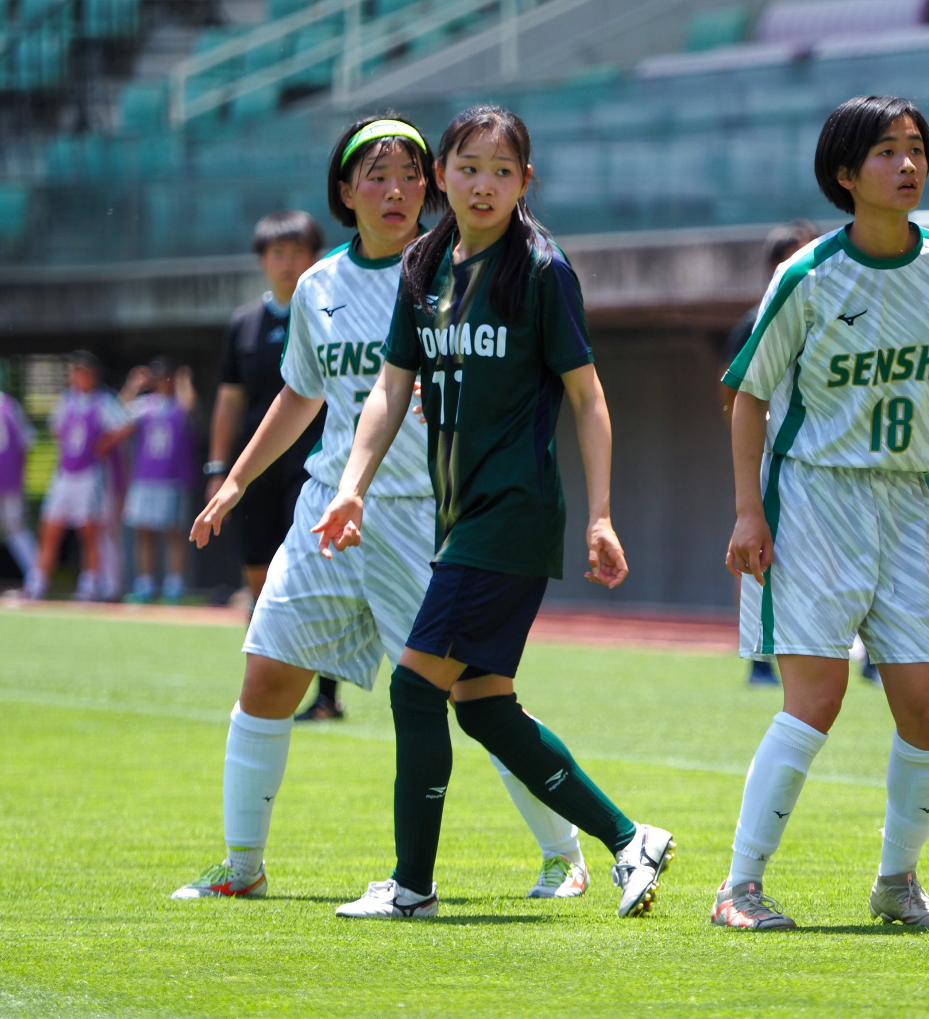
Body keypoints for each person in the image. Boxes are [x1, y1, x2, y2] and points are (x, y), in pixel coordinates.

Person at [173, 114, 587, 903]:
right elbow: (301, 393)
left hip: (426, 516)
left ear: (432, 185)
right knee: (265, 679)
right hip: (329, 509)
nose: (396, 191)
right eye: (376, 176)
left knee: (476, 695)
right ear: (344, 191)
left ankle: (561, 853)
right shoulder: (318, 287)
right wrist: (237, 479)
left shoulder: (463, 271)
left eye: (409, 176)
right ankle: (242, 866)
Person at [315, 104, 674, 922]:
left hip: (511, 513)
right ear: (440, 175)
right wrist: (351, 485)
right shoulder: (423, 265)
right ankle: (630, 839)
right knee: (481, 706)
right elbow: (390, 387)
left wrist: (602, 514)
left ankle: (411, 888)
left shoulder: (543, 270)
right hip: (459, 516)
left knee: (414, 687)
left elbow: (588, 397)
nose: (484, 185)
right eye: (468, 167)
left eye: (502, 171)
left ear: (525, 182)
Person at [712, 95, 929, 930]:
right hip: (814, 494)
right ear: (846, 175)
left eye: (917, 147)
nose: (908, 164)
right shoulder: (807, 275)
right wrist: (749, 512)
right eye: (886, 151)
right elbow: (745, 394)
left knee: (928, 711)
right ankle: (739, 888)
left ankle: (897, 882)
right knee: (816, 698)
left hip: (907, 503)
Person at [208, 211, 345, 719]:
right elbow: (228, 401)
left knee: (313, 577)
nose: (287, 264)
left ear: (315, 257)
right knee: (260, 578)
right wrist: (219, 470)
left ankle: (327, 698)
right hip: (257, 468)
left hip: (316, 464)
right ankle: (263, 692)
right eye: (277, 254)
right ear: (262, 260)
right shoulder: (244, 323)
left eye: (297, 253)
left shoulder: (330, 311)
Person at [718, 220, 819, 687]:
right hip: (771, 458)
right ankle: (759, 657)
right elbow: (732, 392)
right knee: (757, 548)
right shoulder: (754, 322)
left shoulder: (829, 311)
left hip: (823, 456)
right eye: (799, 255)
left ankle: (870, 656)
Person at [29, 351, 129, 601]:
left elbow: (123, 426)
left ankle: (90, 585)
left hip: (91, 475)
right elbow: (57, 430)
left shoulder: (103, 401)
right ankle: (37, 583)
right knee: (50, 526)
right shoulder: (66, 400)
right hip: (65, 474)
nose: (78, 376)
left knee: (89, 530)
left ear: (92, 374)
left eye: (83, 371)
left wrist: (101, 445)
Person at [116, 359, 198, 603]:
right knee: (145, 533)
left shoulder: (179, 404)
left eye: (168, 377)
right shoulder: (144, 405)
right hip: (144, 480)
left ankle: (175, 585)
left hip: (172, 479)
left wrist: (184, 380)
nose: (164, 381)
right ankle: (145, 585)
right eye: (160, 377)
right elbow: (116, 414)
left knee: (174, 533)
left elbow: (190, 406)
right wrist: (133, 386)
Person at [0, 361, 40, 596]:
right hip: (11, 480)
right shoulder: (9, 404)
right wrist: (19, 475)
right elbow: (26, 442)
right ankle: (38, 580)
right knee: (16, 530)